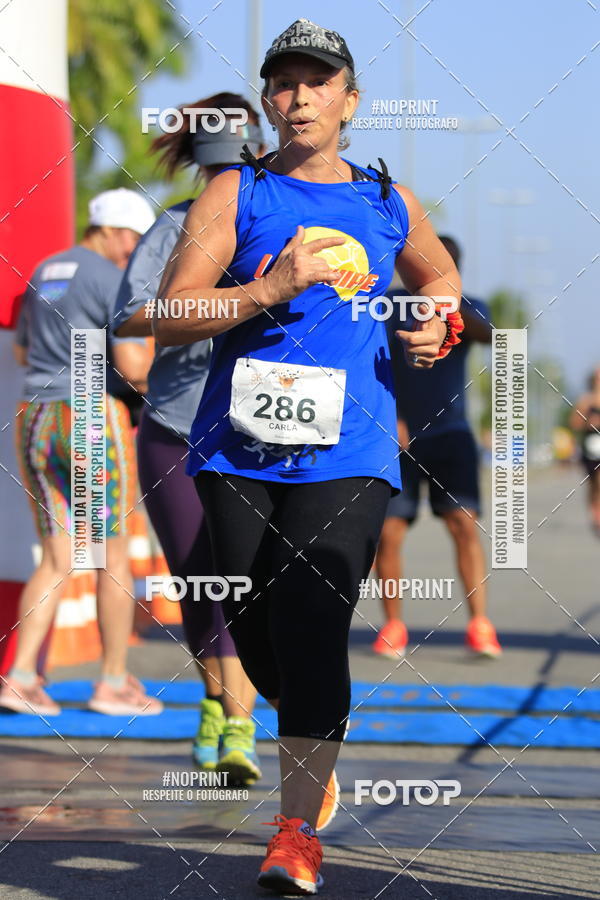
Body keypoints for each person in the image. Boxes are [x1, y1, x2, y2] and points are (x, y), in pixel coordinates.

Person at [154, 18, 462, 896]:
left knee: (312, 619)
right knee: (252, 633)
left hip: (353, 445)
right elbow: (175, 311)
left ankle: (294, 831)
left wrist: (436, 313)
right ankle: (313, 736)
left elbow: (438, 275)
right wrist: (270, 288)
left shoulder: (385, 199)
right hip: (239, 447)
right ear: (267, 100)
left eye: (316, 82)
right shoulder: (236, 195)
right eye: (283, 83)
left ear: (348, 100)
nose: (298, 97)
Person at [113, 94, 267, 783]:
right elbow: (129, 317)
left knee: (245, 584)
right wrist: (218, 306)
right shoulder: (172, 226)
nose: (226, 180)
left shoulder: (285, 222)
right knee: (199, 583)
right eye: (217, 167)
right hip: (175, 429)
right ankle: (222, 705)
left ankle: (239, 720)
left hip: (258, 436)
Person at [0, 189, 162, 717]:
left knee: (57, 556)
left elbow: (24, 350)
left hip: (35, 417)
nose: (133, 253)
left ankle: (21, 676)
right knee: (112, 555)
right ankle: (112, 682)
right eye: (135, 242)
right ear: (116, 231)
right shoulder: (108, 277)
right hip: (90, 413)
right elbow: (132, 366)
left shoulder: (45, 269)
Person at [373, 235, 502, 660]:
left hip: (451, 433)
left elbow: (492, 337)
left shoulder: (469, 305)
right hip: (396, 436)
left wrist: (445, 300)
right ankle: (393, 626)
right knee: (389, 534)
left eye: (444, 263)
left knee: (463, 525)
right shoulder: (386, 305)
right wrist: (387, 418)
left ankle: (480, 625)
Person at [570, 367, 600, 536]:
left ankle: (598, 513)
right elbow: (574, 423)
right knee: (593, 482)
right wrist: (589, 421)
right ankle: (594, 509)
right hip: (590, 447)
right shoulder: (585, 400)